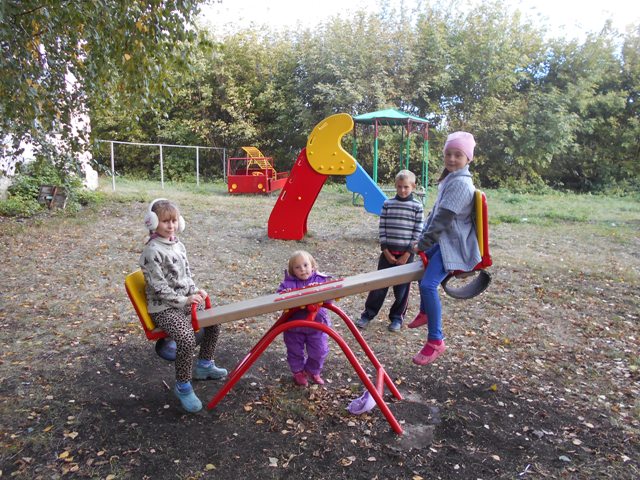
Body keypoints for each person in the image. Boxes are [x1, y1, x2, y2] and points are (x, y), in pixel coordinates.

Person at [139, 198, 227, 413]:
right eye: (165, 221)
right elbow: (158, 287)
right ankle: (183, 386)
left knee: (214, 321)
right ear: (153, 222)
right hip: (163, 308)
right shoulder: (151, 251)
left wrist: (194, 291)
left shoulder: (178, 245)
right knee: (186, 338)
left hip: (183, 301)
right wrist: (184, 300)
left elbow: (186, 275)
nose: (171, 226)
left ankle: (204, 365)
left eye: (174, 221)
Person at [409, 132, 482, 365]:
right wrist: (422, 238)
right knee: (420, 269)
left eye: (457, 155)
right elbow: (435, 214)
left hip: (454, 245)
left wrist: (423, 243)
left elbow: (442, 220)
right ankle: (425, 311)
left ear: (468, 158)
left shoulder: (460, 184)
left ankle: (435, 341)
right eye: (448, 154)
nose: (451, 159)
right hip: (444, 240)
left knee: (428, 284)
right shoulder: (450, 179)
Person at [356, 169, 424, 332]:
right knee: (378, 286)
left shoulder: (417, 206)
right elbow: (383, 228)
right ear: (395, 186)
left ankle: (396, 318)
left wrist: (408, 253)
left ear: (413, 187)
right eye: (399, 186)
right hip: (388, 253)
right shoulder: (388, 204)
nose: (402, 190)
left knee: (402, 289)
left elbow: (418, 231)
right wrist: (385, 250)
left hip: (406, 255)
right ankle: (368, 314)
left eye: (406, 187)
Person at [277, 250, 331, 387]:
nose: (302, 269)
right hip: (294, 327)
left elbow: (330, 299)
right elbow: (279, 299)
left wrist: (320, 291)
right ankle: (298, 372)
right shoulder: (288, 284)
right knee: (295, 351)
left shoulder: (320, 280)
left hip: (317, 325)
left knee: (319, 351)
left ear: (312, 266)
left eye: (305, 265)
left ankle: (312, 371)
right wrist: (286, 295)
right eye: (297, 267)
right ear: (292, 271)